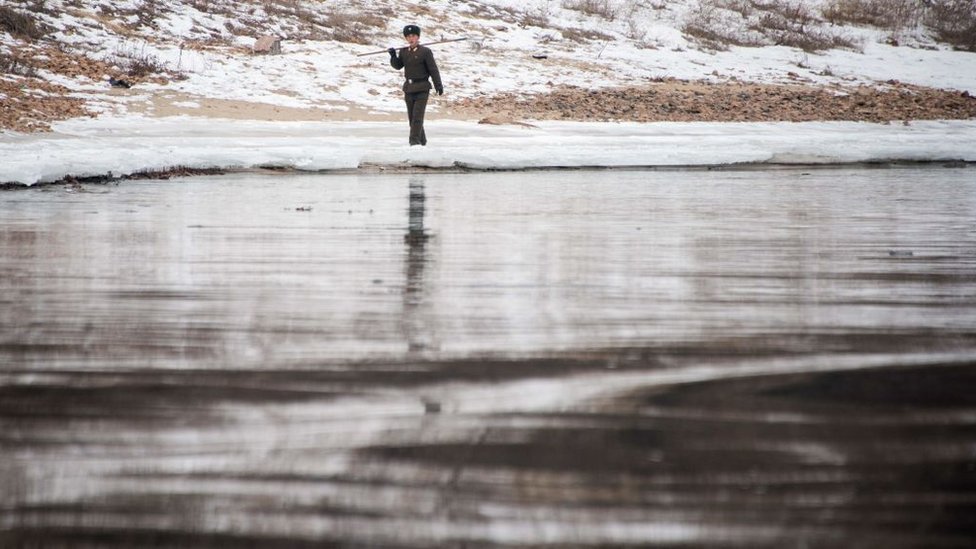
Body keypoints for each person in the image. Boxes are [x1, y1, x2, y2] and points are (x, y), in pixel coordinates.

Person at [388, 25, 443, 146]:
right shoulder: (403, 52)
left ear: (418, 37)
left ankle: (414, 143)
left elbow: (433, 70)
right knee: (412, 119)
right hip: (409, 88)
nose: (411, 38)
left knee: (417, 118)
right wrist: (393, 56)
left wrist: (438, 85)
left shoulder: (425, 52)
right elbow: (398, 66)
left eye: (413, 36)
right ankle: (422, 143)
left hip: (422, 88)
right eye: (408, 36)